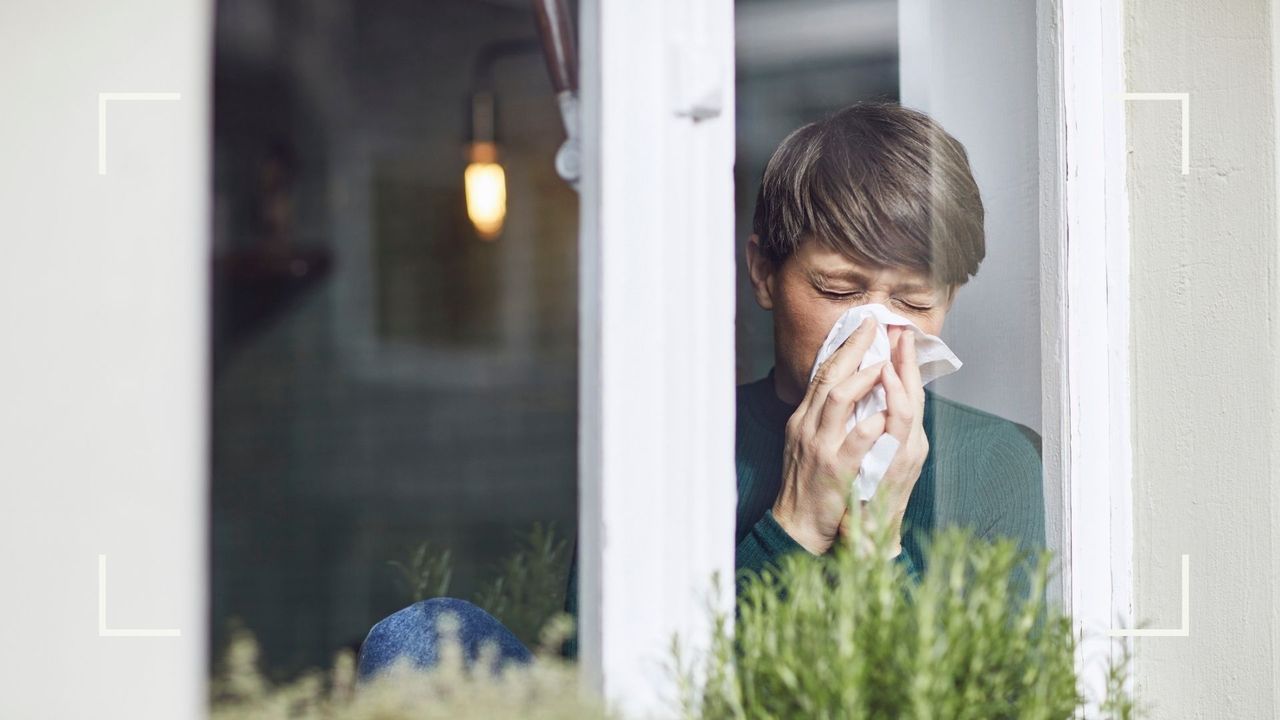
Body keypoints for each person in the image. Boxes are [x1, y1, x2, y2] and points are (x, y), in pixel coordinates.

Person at [357, 101, 1045, 677]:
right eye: (837, 290)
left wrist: (875, 548)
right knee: (422, 638)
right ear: (764, 272)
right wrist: (794, 527)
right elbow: (624, 690)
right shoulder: (673, 448)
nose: (877, 329)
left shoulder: (995, 464)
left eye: (917, 305)